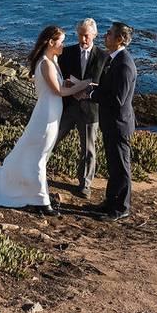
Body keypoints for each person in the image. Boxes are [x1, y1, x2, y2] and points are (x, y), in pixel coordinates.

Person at [0, 25, 92, 216]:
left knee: (37, 154)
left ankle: (30, 192)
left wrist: (69, 84)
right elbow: (59, 91)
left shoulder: (53, 60)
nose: (63, 45)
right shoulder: (44, 63)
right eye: (61, 41)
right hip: (46, 114)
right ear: (51, 42)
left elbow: (58, 86)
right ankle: (42, 200)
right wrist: (83, 84)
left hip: (52, 113)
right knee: (40, 156)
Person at [86, 21, 137, 221]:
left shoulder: (124, 64)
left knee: (121, 166)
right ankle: (111, 201)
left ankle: (122, 207)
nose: (104, 36)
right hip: (111, 123)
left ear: (119, 39)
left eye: (109, 33)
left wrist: (91, 94)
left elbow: (118, 99)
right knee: (113, 165)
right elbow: (109, 89)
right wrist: (94, 88)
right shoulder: (114, 59)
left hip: (119, 124)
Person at [53, 18, 105, 199]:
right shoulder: (66, 53)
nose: (83, 39)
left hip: (91, 111)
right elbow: (59, 76)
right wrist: (70, 89)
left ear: (95, 35)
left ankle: (85, 184)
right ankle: (37, 173)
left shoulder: (103, 57)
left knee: (89, 149)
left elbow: (104, 85)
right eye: (80, 35)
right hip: (68, 107)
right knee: (52, 140)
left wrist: (88, 91)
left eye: (87, 36)